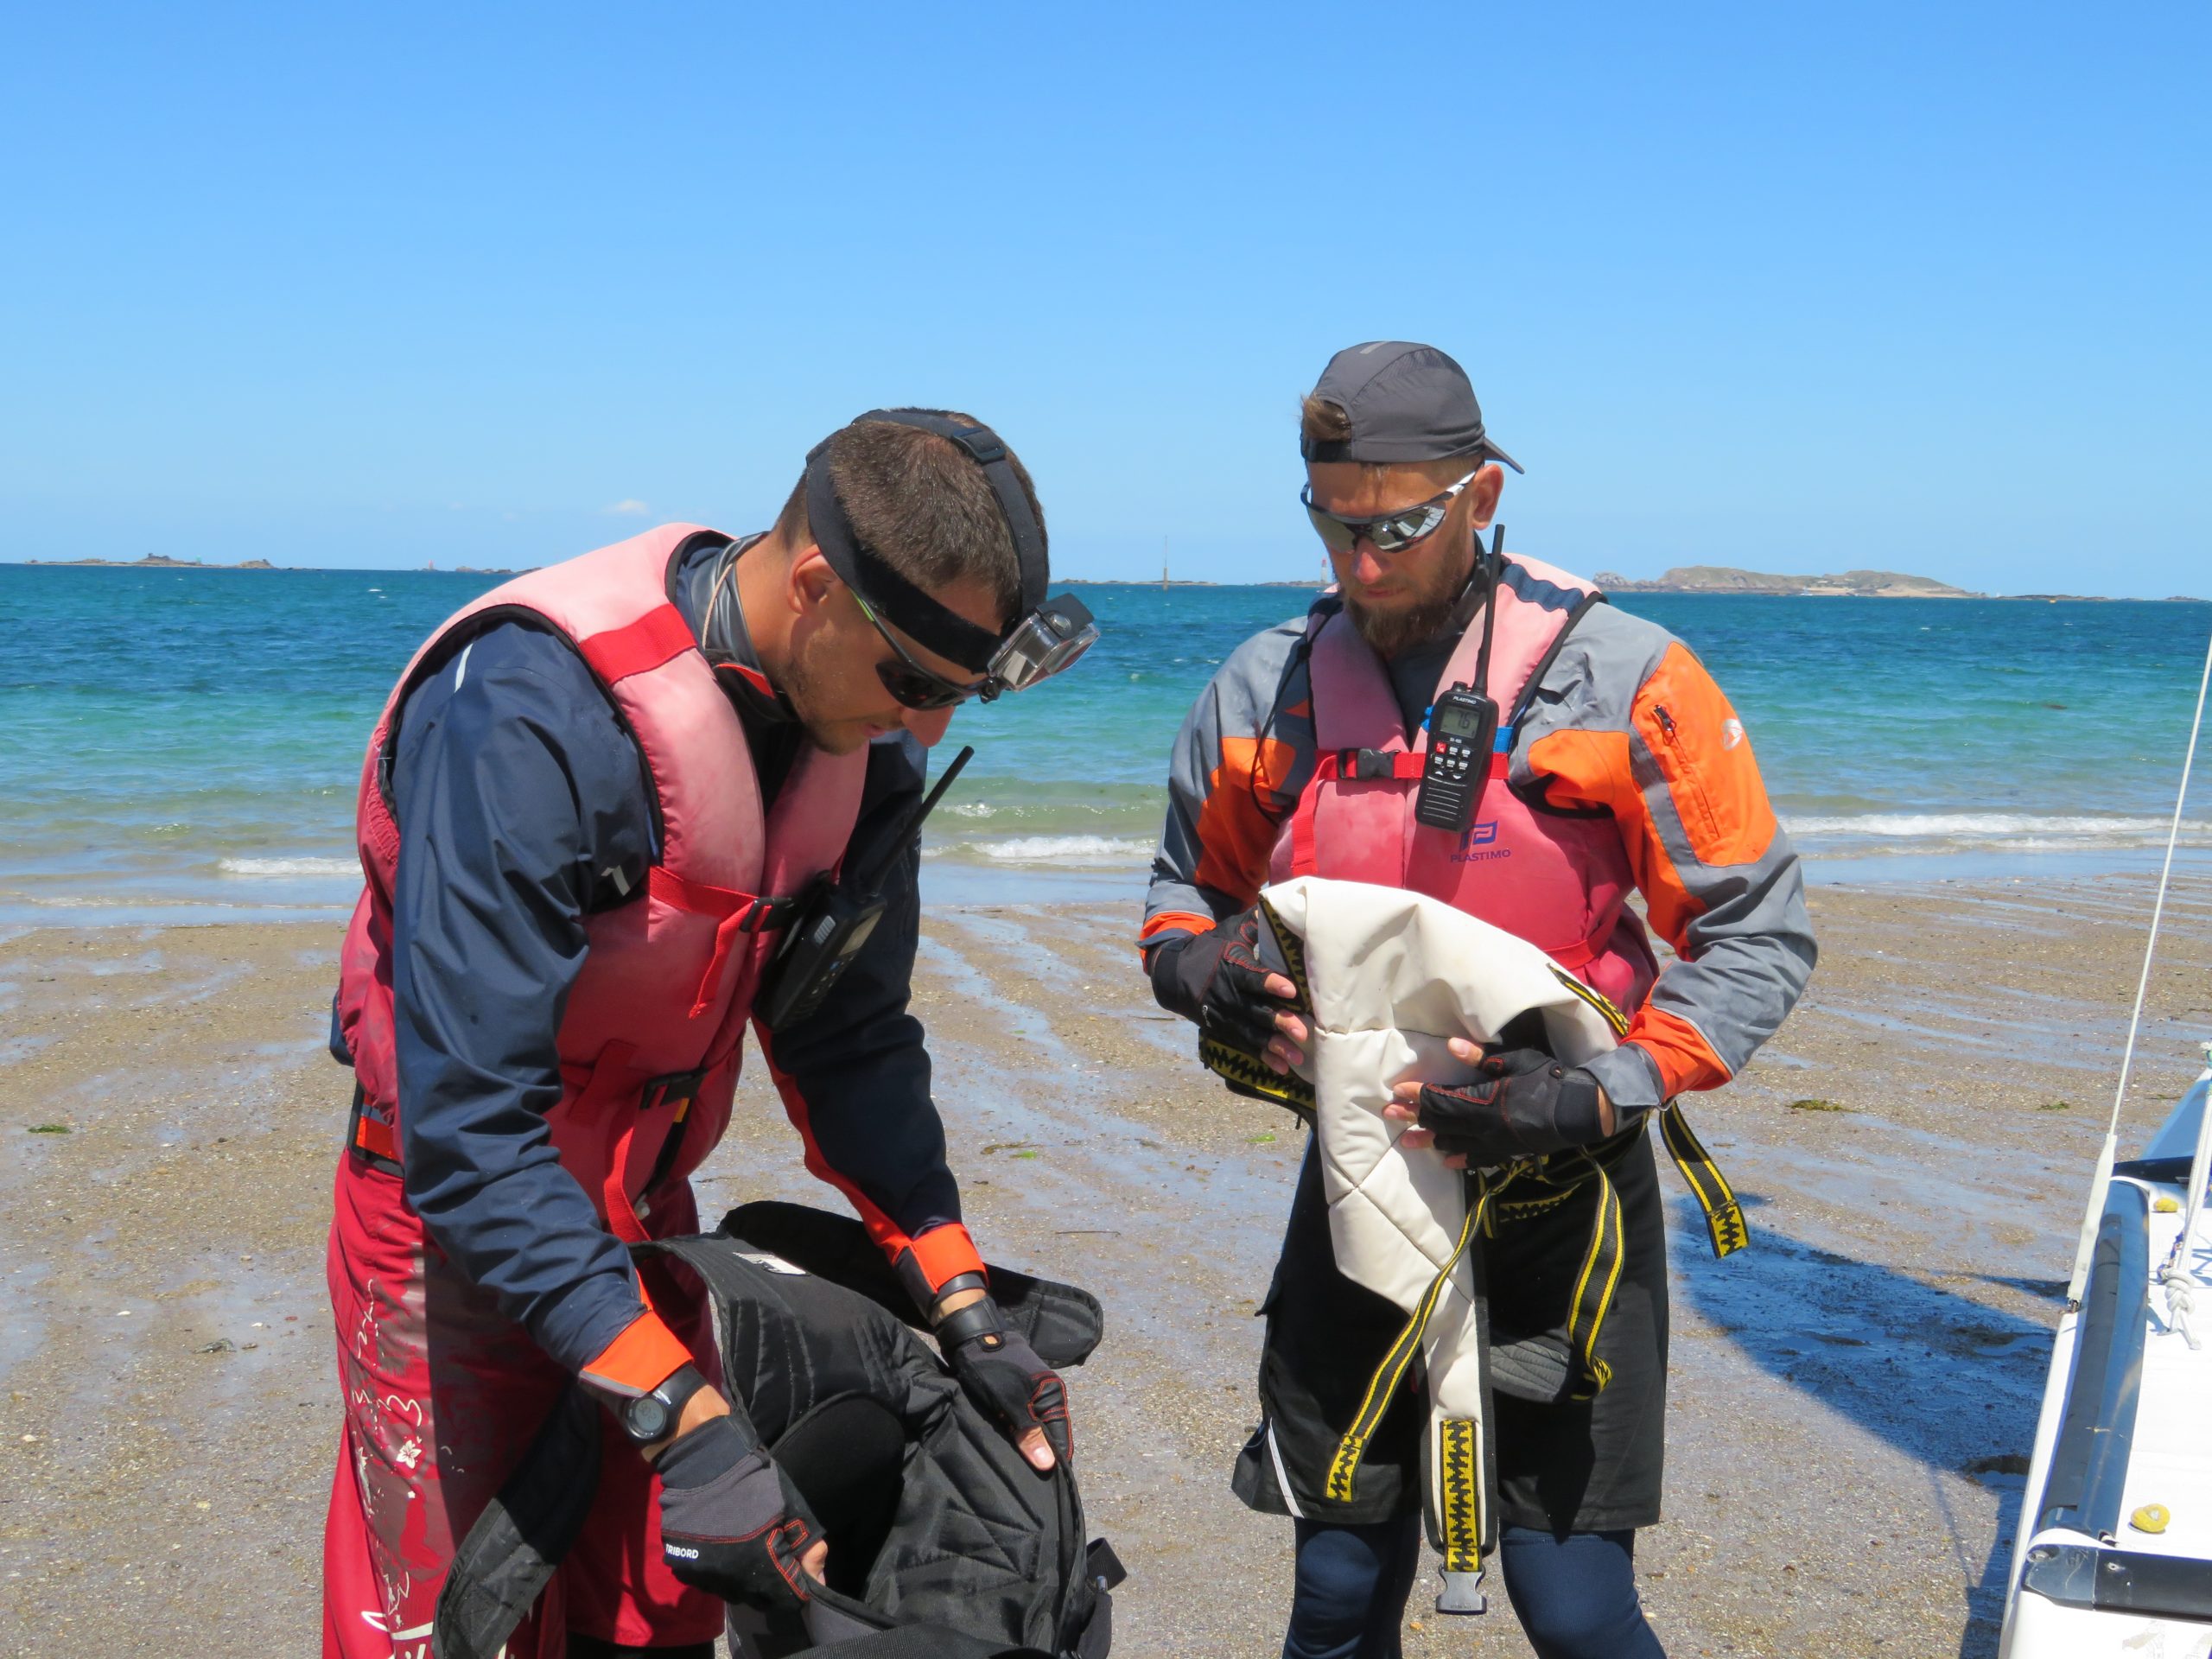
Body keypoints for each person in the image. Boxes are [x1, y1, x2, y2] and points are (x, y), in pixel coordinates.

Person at [321, 409, 1096, 1659]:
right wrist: (681, 1412)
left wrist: (959, 1293)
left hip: (641, 1218)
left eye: (963, 696)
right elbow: (464, 1130)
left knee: (663, 1604)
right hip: (444, 1228)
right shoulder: (528, 719)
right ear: (812, 587)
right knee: (454, 1619)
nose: (928, 729)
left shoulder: (862, 737)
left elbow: (851, 1041)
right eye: (914, 682)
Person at [1141, 342, 1816, 1659]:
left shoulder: (1627, 680)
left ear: (1484, 492)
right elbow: (1183, 895)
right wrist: (1203, 978)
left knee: (1572, 1603)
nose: (1364, 563)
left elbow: (1756, 933)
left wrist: (1601, 1088)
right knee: (1336, 1583)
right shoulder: (1261, 688)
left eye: (1398, 524)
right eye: (1334, 526)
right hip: (1360, 1181)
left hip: (1568, 1183)